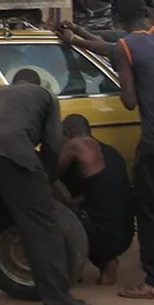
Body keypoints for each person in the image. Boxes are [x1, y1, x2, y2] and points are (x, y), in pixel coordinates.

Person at [62, 0, 154, 299]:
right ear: (146, 13)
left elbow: (128, 100)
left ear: (118, 20)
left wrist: (134, 79)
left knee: (152, 213)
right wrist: (77, 36)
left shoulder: (127, 47)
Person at [0, 68, 92, 305]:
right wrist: (45, 178)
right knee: (41, 228)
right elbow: (53, 144)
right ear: (38, 83)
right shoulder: (45, 96)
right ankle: (57, 301)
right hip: (16, 158)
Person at [54, 115, 134, 286]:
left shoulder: (76, 145)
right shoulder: (111, 152)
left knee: (51, 214)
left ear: (67, 133)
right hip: (125, 234)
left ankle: (70, 268)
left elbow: (49, 175)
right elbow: (97, 194)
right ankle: (106, 262)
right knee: (93, 213)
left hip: (103, 235)